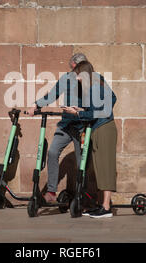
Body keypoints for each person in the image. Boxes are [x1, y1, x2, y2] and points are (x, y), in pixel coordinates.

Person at [27, 53, 88, 203]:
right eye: (74, 67)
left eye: (78, 68)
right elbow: (52, 94)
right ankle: (51, 192)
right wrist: (36, 105)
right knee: (53, 152)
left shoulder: (91, 80)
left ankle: (82, 195)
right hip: (66, 125)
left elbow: (95, 101)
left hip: (82, 126)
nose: (75, 71)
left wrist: (83, 110)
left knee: (82, 161)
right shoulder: (66, 78)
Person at [62, 61, 117, 218]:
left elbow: (98, 111)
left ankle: (106, 207)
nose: (77, 78)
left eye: (78, 75)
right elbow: (110, 100)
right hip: (100, 128)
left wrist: (77, 114)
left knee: (106, 167)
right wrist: (84, 110)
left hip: (104, 129)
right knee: (100, 168)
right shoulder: (95, 84)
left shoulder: (94, 86)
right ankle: (102, 205)